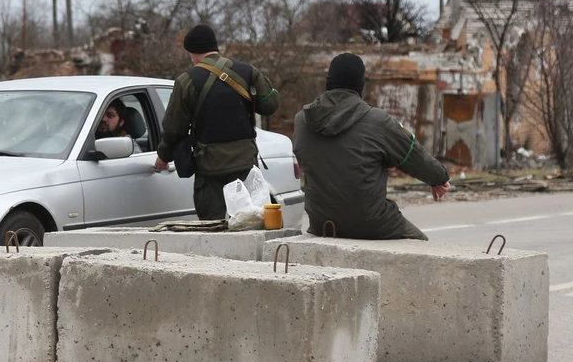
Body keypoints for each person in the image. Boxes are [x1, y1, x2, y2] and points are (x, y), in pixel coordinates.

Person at [292, 53, 451, 241]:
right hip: (372, 223)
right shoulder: (377, 121)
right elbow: (412, 154)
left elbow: (322, 155)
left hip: (321, 222)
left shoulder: (302, 120)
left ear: (329, 81)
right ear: (360, 84)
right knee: (420, 244)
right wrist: (438, 177)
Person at [154, 24, 280, 220]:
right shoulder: (247, 71)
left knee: (213, 231)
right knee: (248, 224)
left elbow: (173, 127)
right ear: (215, 47)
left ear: (192, 53)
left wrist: (163, 156)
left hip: (210, 169)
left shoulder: (187, 81)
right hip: (245, 165)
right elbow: (270, 105)